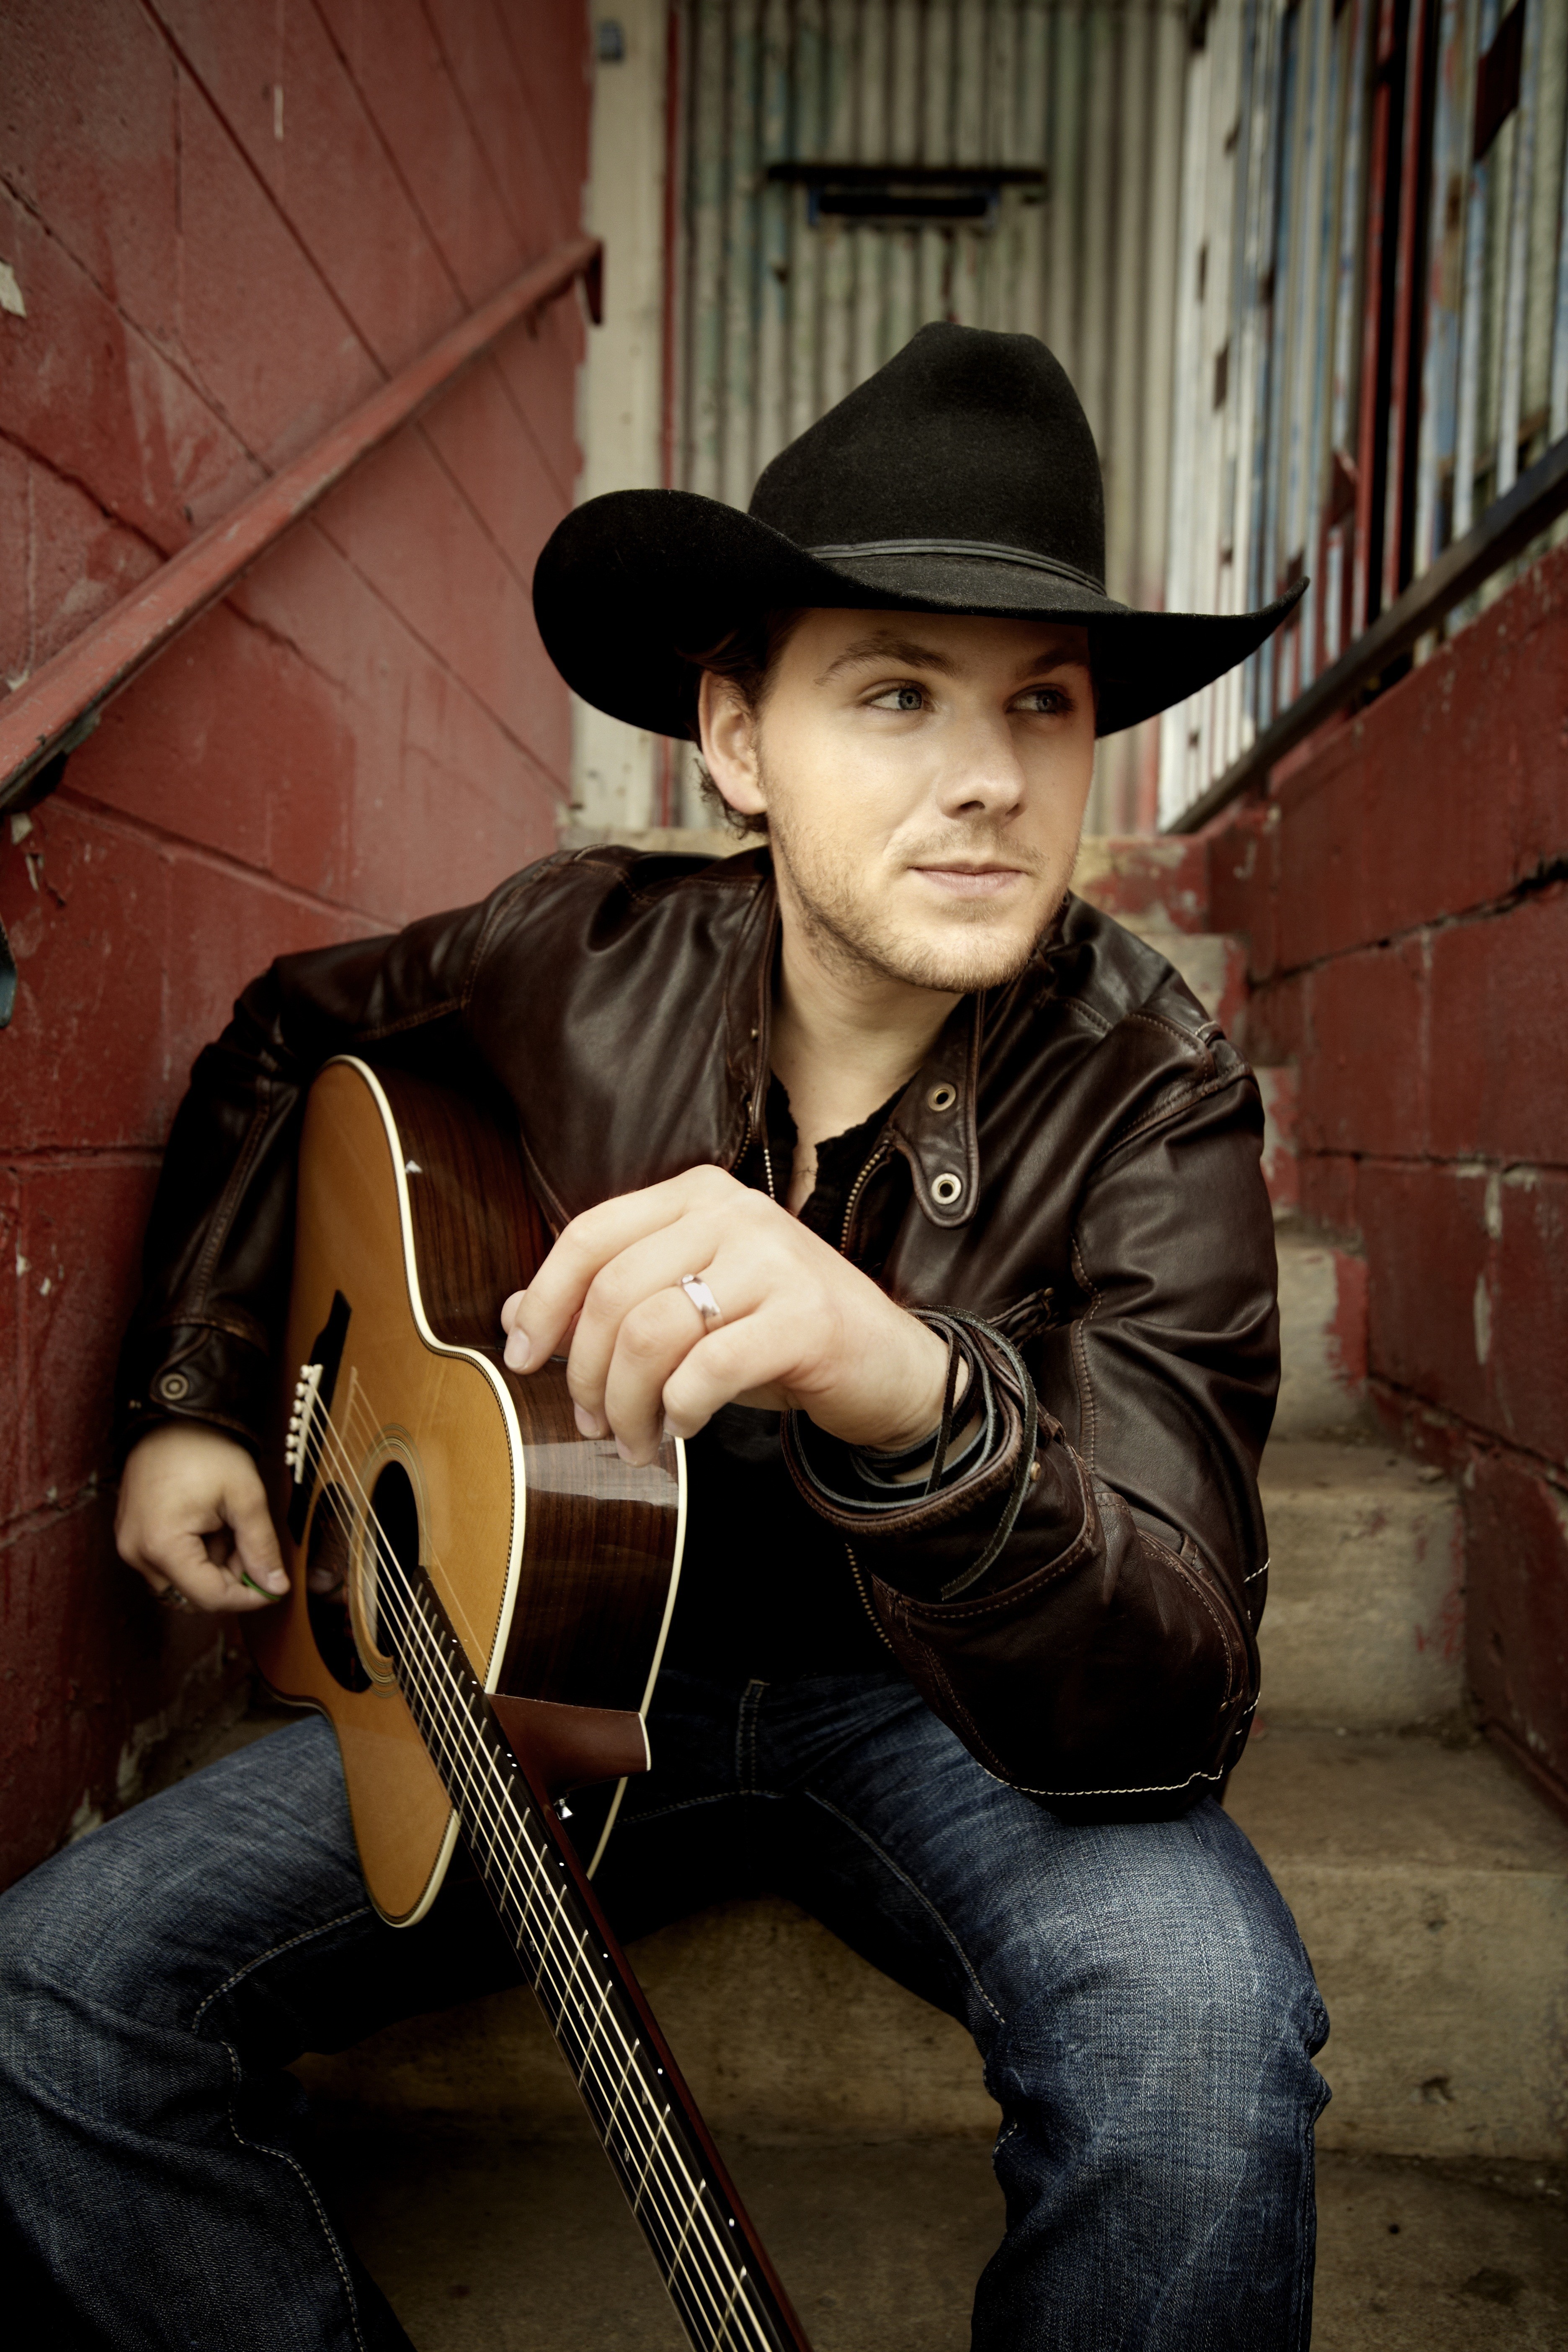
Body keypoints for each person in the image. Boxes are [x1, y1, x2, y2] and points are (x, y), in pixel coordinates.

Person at [0, 325, 1327, 2349]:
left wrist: (906, 1389)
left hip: (940, 1708)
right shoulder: (577, 947)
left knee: (1205, 2044)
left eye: (1040, 711)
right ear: (737, 742)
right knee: (48, 1993)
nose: (988, 777)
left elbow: (1169, 1696)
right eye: (894, 695)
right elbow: (291, 1032)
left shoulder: (1155, 1095)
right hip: (552, 1651)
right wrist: (199, 1388)